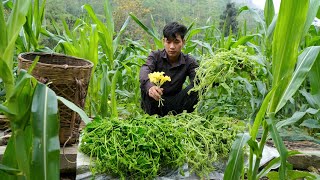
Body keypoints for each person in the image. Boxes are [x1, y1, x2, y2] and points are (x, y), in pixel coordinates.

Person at [139, 22, 199, 116]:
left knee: (197, 87)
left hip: (177, 103)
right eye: (168, 42)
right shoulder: (155, 56)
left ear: (183, 42)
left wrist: (211, 77)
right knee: (145, 85)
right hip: (155, 101)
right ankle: (151, 116)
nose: (172, 46)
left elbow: (198, 78)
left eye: (176, 42)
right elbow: (145, 69)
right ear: (164, 41)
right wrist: (150, 87)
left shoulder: (189, 61)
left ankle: (182, 116)